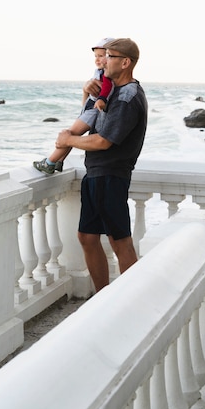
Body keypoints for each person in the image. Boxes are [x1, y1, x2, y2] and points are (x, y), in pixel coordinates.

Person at [54, 38, 147, 292]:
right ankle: (102, 296)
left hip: (111, 176)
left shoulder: (128, 96)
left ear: (125, 62)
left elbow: (104, 141)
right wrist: (87, 92)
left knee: (120, 243)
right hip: (95, 174)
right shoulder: (112, 91)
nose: (102, 61)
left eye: (109, 56)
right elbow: (91, 118)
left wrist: (68, 140)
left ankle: (133, 300)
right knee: (86, 237)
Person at [33, 38, 115, 175]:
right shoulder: (101, 72)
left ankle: (49, 162)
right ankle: (59, 161)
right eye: (96, 56)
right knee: (72, 136)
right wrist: (86, 91)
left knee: (69, 135)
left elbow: (106, 88)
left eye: (101, 56)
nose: (97, 60)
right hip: (90, 109)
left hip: (93, 110)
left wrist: (101, 99)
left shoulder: (107, 73)